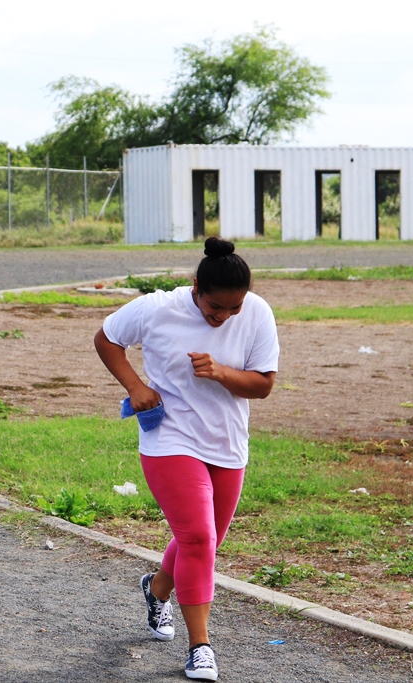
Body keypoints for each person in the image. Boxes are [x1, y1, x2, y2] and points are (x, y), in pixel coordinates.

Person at [94, 237, 279, 682]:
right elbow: (107, 338)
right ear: (195, 286)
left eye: (234, 308)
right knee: (197, 538)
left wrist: (221, 372)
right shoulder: (158, 308)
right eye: (216, 307)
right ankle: (201, 648)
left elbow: (263, 384)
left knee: (207, 540)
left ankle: (157, 588)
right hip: (170, 439)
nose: (225, 317)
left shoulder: (257, 313)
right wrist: (137, 389)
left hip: (227, 443)